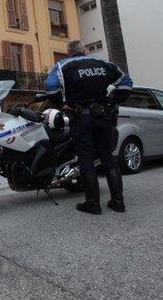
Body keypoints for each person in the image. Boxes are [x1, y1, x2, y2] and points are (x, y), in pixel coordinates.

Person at [44, 40, 133, 215]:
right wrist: (111, 102)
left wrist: (64, 105)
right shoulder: (103, 64)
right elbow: (126, 83)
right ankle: (118, 202)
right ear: (84, 50)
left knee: (85, 158)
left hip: (81, 117)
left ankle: (93, 203)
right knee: (108, 157)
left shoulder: (62, 66)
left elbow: (50, 88)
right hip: (103, 117)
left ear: (69, 52)